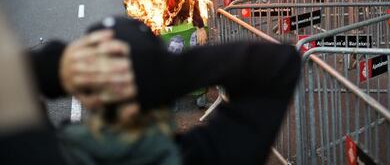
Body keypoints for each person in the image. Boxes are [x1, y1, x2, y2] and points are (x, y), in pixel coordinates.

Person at [0, 15, 301, 165]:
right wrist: (163, 73)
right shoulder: (206, 156)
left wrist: (55, 67)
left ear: (87, 93)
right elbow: (279, 63)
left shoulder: (46, 155)